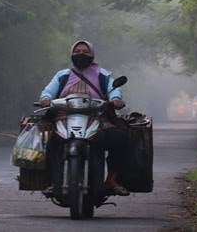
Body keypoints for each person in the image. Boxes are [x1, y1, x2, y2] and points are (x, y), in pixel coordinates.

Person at [39, 40, 130, 196]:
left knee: (120, 138)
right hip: (64, 118)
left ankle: (111, 180)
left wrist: (116, 99)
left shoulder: (103, 75)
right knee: (51, 142)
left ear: (92, 55)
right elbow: (48, 91)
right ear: (71, 54)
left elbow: (114, 90)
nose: (81, 54)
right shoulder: (62, 75)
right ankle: (55, 182)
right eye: (77, 51)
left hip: (98, 119)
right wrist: (46, 98)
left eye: (85, 51)